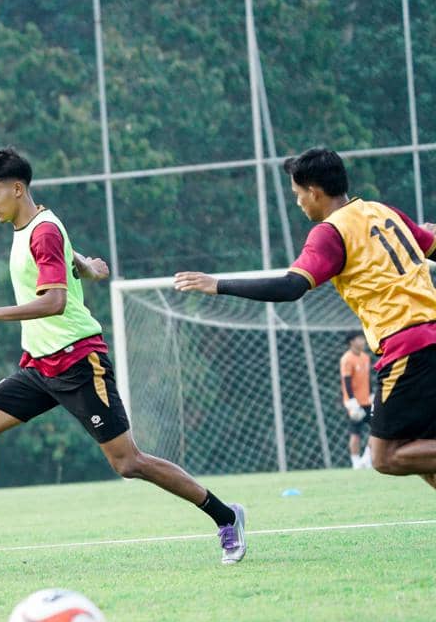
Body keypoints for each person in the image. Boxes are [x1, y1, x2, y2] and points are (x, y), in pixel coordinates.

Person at [0, 148, 246, 575]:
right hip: (38, 366)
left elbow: (54, 301)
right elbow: (66, 262)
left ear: (17, 189)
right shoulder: (35, 225)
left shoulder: (42, 231)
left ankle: (226, 516)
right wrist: (88, 267)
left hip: (77, 361)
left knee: (128, 463)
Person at [175, 146, 436, 490]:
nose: (298, 203)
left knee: (385, 456)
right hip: (426, 337)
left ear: (313, 191)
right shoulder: (384, 212)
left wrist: (217, 284)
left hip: (409, 346)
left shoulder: (330, 232)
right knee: (422, 454)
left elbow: (290, 287)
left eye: (298, 194)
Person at [340, 332, 373, 469]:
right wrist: (352, 401)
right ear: (351, 342)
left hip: (367, 400)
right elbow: (346, 381)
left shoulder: (365, 357)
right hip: (354, 403)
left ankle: (366, 458)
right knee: (355, 432)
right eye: (360, 339)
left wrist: (371, 393)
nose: (363, 341)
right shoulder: (347, 359)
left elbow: (367, 378)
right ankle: (356, 462)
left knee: (377, 430)